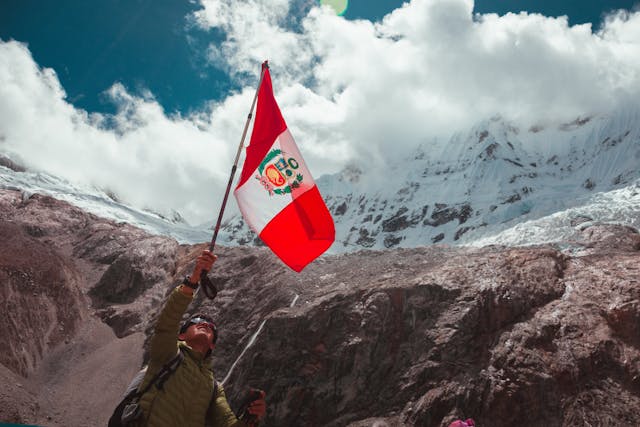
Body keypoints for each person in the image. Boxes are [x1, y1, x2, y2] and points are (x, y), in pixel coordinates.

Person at [133, 250, 266, 426]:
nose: (204, 324)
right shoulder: (167, 354)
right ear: (180, 335)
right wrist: (194, 278)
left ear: (212, 345)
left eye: (211, 328)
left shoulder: (213, 388)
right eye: (195, 322)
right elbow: (167, 322)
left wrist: (251, 418)